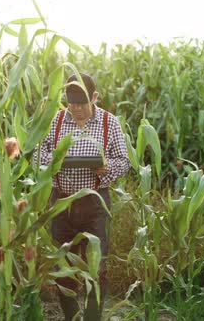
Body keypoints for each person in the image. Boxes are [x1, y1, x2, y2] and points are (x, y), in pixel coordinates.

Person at [35, 73, 130, 320]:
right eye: (71, 103)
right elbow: (36, 156)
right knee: (62, 266)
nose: (76, 109)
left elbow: (124, 161)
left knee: (97, 265)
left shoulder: (110, 123)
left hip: (95, 204)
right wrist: (54, 163)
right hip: (61, 203)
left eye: (82, 103)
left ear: (95, 97)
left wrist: (106, 168)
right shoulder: (55, 122)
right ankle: (71, 316)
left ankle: (92, 317)